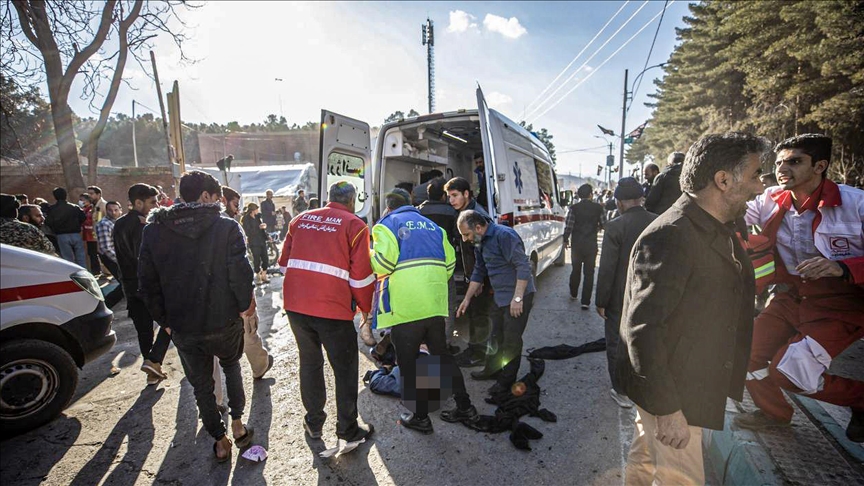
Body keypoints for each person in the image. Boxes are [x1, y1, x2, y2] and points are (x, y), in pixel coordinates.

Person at [618, 133, 767, 485]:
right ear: (723, 180)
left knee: (644, 457)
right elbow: (644, 329)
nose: (761, 187)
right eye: (755, 175)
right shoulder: (672, 234)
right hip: (675, 392)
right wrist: (668, 409)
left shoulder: (713, 226)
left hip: (684, 384)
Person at [735, 134, 864, 443]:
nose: (782, 169)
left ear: (820, 166)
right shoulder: (769, 198)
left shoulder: (857, 203)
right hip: (792, 295)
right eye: (779, 162)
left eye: (794, 161)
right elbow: (729, 211)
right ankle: (773, 413)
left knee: (789, 371)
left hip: (842, 306)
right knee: (742, 353)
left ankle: (860, 399)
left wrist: (843, 267)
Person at [138, 170, 257, 463]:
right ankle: (238, 425)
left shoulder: (154, 230)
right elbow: (241, 274)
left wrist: (165, 321)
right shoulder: (226, 227)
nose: (220, 203)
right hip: (224, 320)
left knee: (202, 386)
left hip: (183, 325)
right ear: (205, 196)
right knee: (231, 367)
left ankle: (220, 441)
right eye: (217, 197)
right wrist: (244, 307)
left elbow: (147, 284)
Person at [371, 188, 477, 433]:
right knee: (443, 358)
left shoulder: (386, 225)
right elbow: (450, 265)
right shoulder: (434, 227)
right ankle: (465, 407)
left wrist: (369, 254)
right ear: (411, 204)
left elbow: (383, 264)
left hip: (407, 307)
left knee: (407, 365)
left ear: (389, 207)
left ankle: (420, 417)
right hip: (434, 305)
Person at [278, 181, 375, 446]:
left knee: (310, 363)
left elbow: (284, 265)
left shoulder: (299, 220)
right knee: (344, 370)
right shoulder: (355, 225)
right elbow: (361, 278)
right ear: (352, 201)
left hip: (296, 307)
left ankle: (313, 423)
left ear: (328, 197)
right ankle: (347, 429)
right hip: (333, 310)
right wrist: (365, 309)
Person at [456, 209, 536, 396]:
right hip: (500, 296)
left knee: (511, 341)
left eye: (466, 234)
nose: (465, 239)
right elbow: (479, 270)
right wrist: (467, 299)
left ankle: (506, 382)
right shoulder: (479, 240)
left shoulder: (504, 236)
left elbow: (523, 266)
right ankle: (492, 370)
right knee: (494, 335)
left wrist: (517, 298)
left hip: (517, 296)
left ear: (478, 227)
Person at [595, 178, 657, 409]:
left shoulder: (615, 226)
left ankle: (621, 390)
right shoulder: (658, 221)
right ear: (641, 199)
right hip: (651, 294)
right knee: (647, 342)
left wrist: (601, 301)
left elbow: (607, 268)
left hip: (621, 297)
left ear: (619, 202)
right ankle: (644, 386)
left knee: (617, 343)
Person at [113, 184, 171, 387]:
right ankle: (154, 360)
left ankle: (152, 371)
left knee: (144, 330)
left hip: (129, 285)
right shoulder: (142, 225)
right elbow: (144, 258)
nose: (157, 206)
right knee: (171, 320)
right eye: (152, 202)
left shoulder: (119, 224)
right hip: (147, 285)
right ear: (138, 203)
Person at [444, 177, 493, 368]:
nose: (451, 200)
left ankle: (479, 354)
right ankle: (475, 350)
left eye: (455, 195)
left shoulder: (477, 216)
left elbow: (483, 252)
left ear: (466, 194)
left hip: (480, 276)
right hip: (473, 274)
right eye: (449, 196)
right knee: (474, 312)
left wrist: (479, 279)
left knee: (479, 314)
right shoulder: (464, 213)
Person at [418, 176, 460, 349]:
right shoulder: (451, 212)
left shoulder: (418, 211)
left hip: (421, 266)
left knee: (425, 303)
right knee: (448, 305)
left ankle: (424, 342)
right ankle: (445, 343)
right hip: (443, 265)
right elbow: (458, 237)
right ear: (444, 195)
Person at [563, 183, 604, 309]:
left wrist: (565, 239)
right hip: (591, 245)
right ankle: (585, 301)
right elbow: (604, 224)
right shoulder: (598, 208)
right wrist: (597, 227)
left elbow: (569, 225)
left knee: (576, 270)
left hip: (577, 245)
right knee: (589, 273)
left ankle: (573, 293)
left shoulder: (574, 208)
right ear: (591, 194)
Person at [94, 201, 124, 308]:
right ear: (106, 211)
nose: (113, 212)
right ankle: (104, 306)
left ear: (120, 210)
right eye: (110, 210)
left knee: (127, 284)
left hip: (117, 256)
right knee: (125, 284)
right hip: (111, 258)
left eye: (116, 210)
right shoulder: (104, 224)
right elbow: (106, 248)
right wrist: (122, 261)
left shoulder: (117, 222)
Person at [46, 187, 86, 267]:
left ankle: (71, 273)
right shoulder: (74, 207)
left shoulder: (52, 209)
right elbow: (83, 217)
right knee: (81, 257)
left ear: (55, 196)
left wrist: (54, 229)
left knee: (68, 259)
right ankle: (83, 271)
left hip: (61, 235)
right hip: (76, 234)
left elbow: (48, 221)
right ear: (66, 195)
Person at [241, 202, 270, 285]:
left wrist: (267, 235)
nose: (258, 211)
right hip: (254, 241)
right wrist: (258, 227)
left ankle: (264, 275)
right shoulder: (246, 219)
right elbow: (248, 231)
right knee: (256, 259)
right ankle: (258, 276)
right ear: (253, 210)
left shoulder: (258, 217)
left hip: (261, 240)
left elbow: (261, 229)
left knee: (265, 258)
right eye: (257, 209)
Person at [79, 194, 100, 275]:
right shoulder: (85, 210)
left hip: (93, 235)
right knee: (91, 253)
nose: (80, 201)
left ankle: (96, 271)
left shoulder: (94, 209)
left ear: (88, 200)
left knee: (94, 253)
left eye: (82, 199)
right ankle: (94, 270)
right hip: (88, 235)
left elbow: (97, 219)